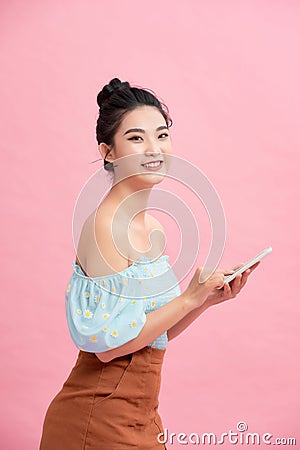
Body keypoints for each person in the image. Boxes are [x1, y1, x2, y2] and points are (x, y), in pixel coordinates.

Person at [39, 77, 259, 450]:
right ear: (109, 152)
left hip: (142, 416)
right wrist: (188, 298)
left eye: (162, 135)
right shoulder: (104, 226)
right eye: (137, 138)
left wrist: (205, 301)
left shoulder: (151, 227)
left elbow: (149, 334)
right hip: (97, 417)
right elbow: (108, 348)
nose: (154, 148)